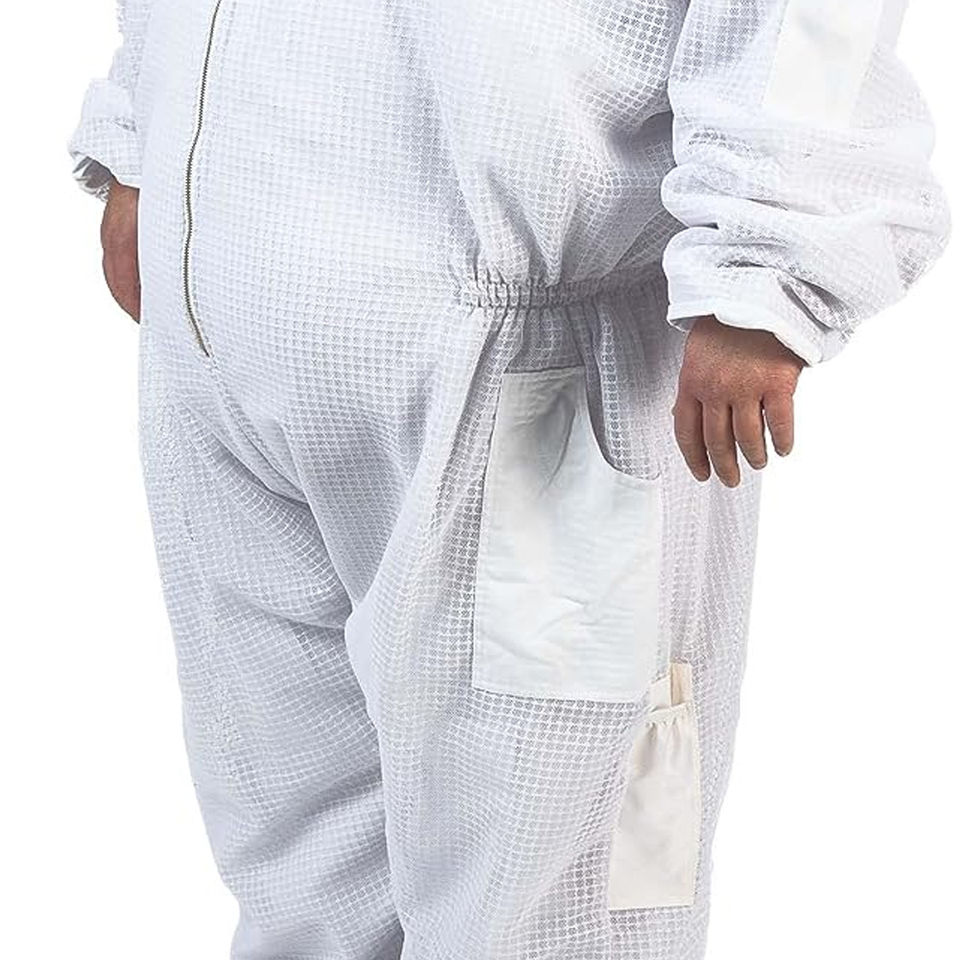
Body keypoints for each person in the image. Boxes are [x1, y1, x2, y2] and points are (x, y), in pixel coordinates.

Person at [70, 2, 948, 958]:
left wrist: (771, 255)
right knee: (300, 862)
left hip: (533, 362)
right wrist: (143, 127)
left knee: (561, 879)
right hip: (231, 310)